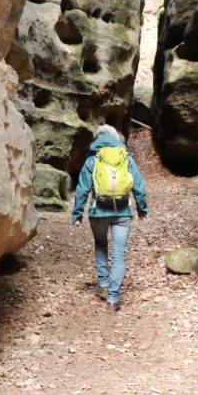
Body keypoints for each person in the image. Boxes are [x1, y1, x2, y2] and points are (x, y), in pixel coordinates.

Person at [72, 124, 147, 313]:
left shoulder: (93, 159)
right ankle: (113, 299)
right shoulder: (126, 158)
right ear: (116, 138)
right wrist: (142, 210)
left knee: (100, 244)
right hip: (123, 213)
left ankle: (103, 284)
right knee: (119, 254)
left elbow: (82, 189)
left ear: (97, 140)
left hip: (98, 212)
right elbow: (139, 186)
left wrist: (77, 213)